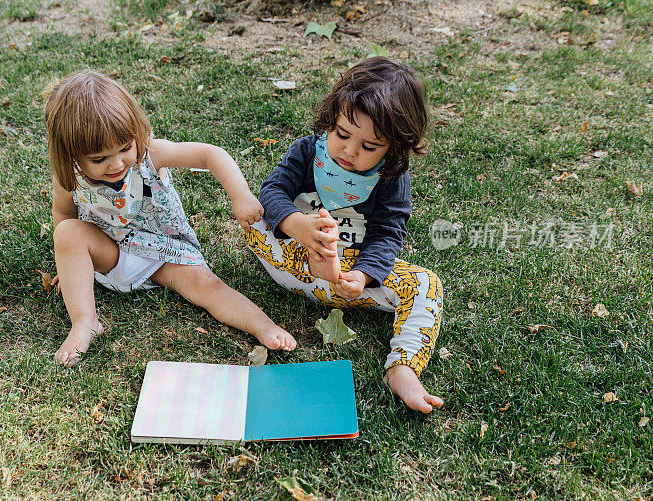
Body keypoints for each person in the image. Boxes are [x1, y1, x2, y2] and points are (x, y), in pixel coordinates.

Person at [43, 71, 296, 365]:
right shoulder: (69, 175)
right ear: (70, 153)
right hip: (109, 253)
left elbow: (210, 154)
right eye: (98, 159)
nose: (116, 163)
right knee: (67, 234)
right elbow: (64, 216)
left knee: (208, 287)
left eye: (125, 147)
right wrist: (73, 262)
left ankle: (262, 325)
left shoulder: (151, 154)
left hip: (163, 253)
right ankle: (86, 322)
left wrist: (240, 195)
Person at [245, 57, 444, 413]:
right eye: (342, 134)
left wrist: (362, 276)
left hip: (345, 278)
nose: (350, 151)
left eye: (370, 147)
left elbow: (387, 233)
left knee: (427, 285)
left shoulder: (391, 177)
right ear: (331, 119)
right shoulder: (308, 152)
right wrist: (296, 226)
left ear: (395, 148)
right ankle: (311, 259)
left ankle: (402, 366)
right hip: (291, 256)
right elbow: (273, 190)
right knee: (252, 217)